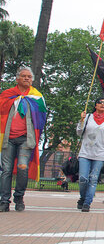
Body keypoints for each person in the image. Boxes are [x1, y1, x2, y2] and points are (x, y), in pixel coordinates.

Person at [0, 67, 47, 212]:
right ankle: (4, 200)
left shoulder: (36, 96)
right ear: (17, 79)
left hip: (26, 139)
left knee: (22, 167)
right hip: (8, 138)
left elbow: (41, 118)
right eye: (24, 76)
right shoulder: (7, 95)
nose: (27, 78)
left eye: (29, 77)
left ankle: (19, 197)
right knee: (6, 170)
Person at [76, 97, 104, 212]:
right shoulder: (88, 117)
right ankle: (83, 197)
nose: (103, 104)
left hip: (100, 154)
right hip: (85, 153)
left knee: (93, 179)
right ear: (96, 105)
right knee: (83, 178)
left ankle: (87, 203)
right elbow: (79, 133)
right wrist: (81, 121)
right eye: (100, 102)